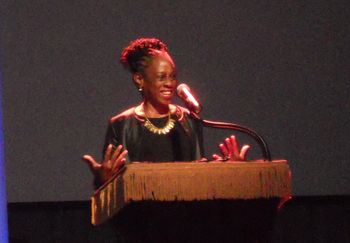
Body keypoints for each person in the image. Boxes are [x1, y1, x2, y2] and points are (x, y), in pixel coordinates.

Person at [82, 37, 250, 189]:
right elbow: (110, 185)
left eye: (173, 76)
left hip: (184, 216)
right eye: (162, 77)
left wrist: (231, 170)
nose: (170, 83)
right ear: (139, 79)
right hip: (140, 218)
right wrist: (103, 180)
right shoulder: (122, 124)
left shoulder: (188, 119)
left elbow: (199, 174)